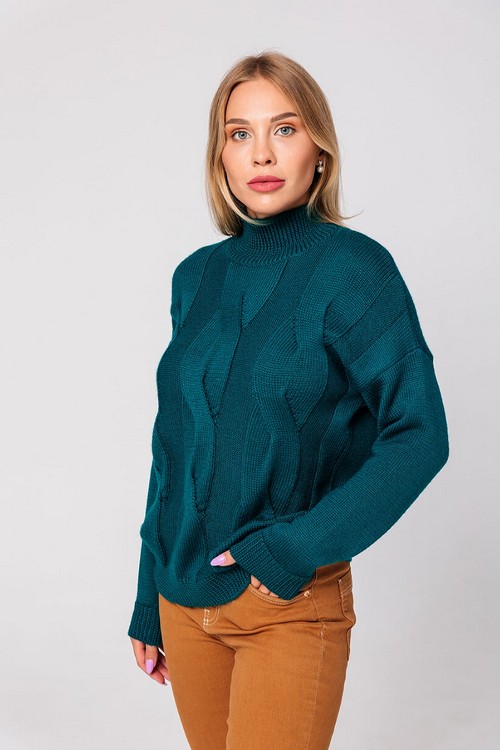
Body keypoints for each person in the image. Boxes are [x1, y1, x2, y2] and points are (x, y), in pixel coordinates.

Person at [128, 50, 449, 749]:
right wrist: (148, 594)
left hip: (287, 602)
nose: (261, 153)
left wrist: (293, 548)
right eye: (239, 133)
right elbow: (175, 445)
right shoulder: (195, 278)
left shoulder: (354, 269)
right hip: (183, 605)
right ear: (219, 154)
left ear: (319, 149)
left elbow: (420, 433)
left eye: (285, 128)